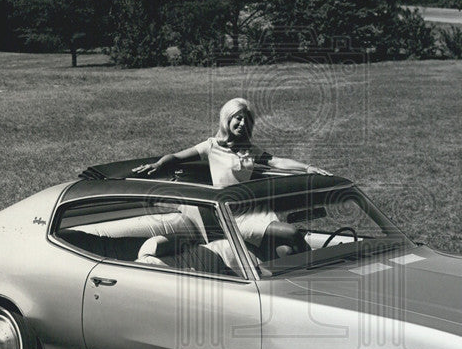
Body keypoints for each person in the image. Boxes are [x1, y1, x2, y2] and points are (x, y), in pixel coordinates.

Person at [132, 97, 329, 258]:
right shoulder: (211, 146)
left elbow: (276, 162)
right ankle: (318, 270)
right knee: (292, 233)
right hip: (233, 216)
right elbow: (176, 157)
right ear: (227, 119)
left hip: (257, 210)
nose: (242, 124)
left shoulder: (249, 149)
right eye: (237, 118)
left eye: (246, 120)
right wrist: (157, 164)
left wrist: (308, 167)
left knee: (285, 251)